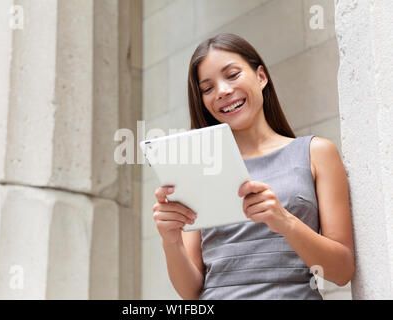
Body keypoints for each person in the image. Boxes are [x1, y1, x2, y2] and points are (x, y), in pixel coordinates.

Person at [152, 33, 355, 300]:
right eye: (208, 88)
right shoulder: (199, 165)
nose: (223, 91)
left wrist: (285, 222)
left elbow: (341, 272)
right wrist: (171, 240)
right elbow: (191, 293)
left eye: (232, 75)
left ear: (261, 77)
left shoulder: (316, 153)